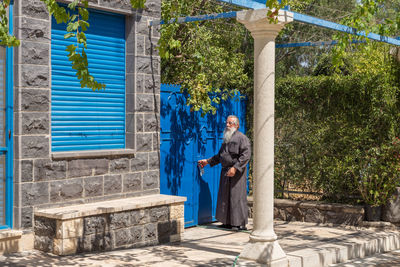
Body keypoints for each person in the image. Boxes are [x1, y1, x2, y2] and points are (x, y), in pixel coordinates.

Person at [198, 115, 251, 231]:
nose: (227, 125)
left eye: (230, 123)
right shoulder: (227, 138)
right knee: (224, 196)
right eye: (226, 123)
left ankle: (239, 224)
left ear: (236, 125)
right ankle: (227, 222)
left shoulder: (242, 138)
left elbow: (246, 155)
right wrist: (207, 161)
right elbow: (220, 156)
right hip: (225, 171)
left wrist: (235, 168)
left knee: (236, 197)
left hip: (236, 173)